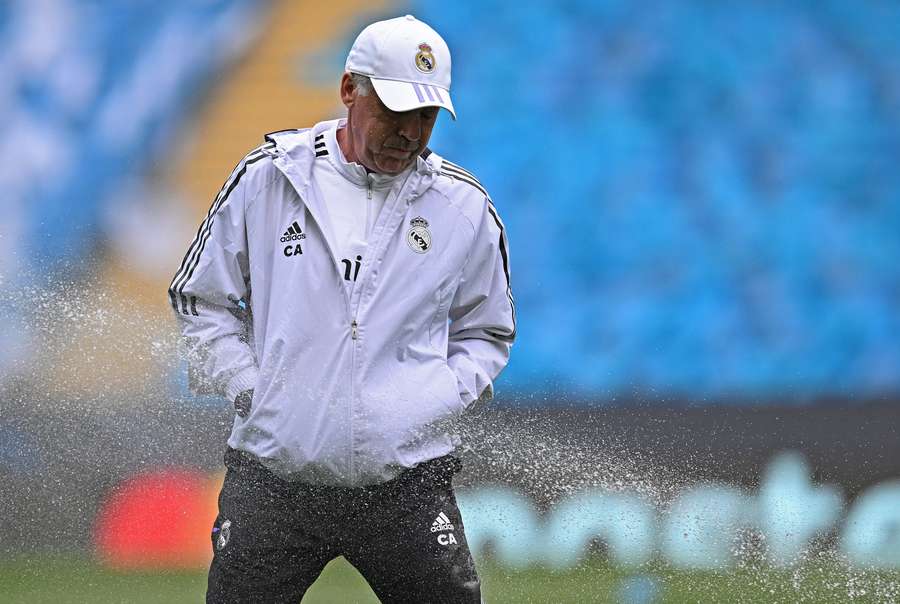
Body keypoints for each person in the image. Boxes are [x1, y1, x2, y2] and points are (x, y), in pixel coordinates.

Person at [168, 14, 515, 603]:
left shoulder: (464, 208)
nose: (409, 133)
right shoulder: (267, 178)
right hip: (274, 480)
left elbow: (488, 331)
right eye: (395, 112)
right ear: (350, 89)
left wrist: (435, 399)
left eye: (426, 117)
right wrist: (254, 389)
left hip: (405, 482)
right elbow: (199, 299)